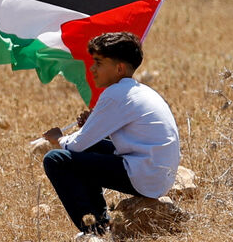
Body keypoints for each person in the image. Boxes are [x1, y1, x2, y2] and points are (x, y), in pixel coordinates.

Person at [42, 32, 181, 240]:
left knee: (55, 159)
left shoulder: (115, 94)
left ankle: (93, 232)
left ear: (119, 68)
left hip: (146, 175)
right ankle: (102, 222)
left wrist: (59, 138)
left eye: (98, 62)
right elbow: (101, 138)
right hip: (157, 173)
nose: (92, 68)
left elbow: (76, 146)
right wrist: (92, 124)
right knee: (90, 149)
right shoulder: (139, 91)